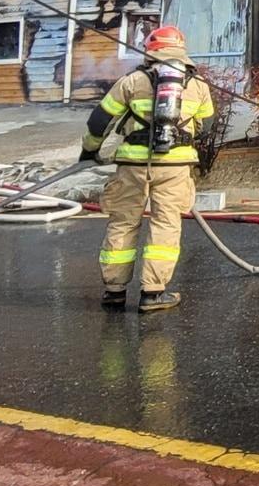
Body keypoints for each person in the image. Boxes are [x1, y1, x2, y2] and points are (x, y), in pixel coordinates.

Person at [80, 25, 214, 312]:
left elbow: (98, 122)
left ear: (151, 50)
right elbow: (207, 127)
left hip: (132, 165)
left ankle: (114, 290)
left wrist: (89, 151)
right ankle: (153, 293)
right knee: (166, 223)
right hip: (175, 166)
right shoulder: (198, 86)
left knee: (123, 221)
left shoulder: (131, 81)